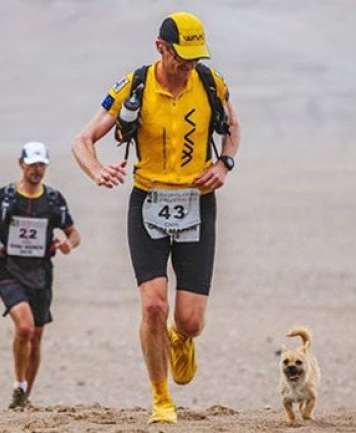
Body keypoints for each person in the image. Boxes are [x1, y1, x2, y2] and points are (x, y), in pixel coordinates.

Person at [72, 11, 240, 424]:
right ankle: (161, 398)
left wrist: (224, 163)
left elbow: (233, 127)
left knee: (190, 321)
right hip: (148, 203)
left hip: (197, 204)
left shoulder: (210, 83)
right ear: (160, 48)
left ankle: (182, 339)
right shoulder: (137, 84)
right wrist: (97, 171)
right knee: (152, 307)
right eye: (182, 58)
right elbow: (82, 140)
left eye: (195, 59)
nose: (189, 67)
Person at [0, 142, 81, 409]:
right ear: (21, 163)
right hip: (8, 270)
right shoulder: (3, 197)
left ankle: (23, 398)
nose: (37, 169)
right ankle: (18, 383)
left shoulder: (54, 200)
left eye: (41, 164)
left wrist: (68, 244)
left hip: (41, 274)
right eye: (32, 164)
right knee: (24, 327)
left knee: (36, 336)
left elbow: (73, 233)